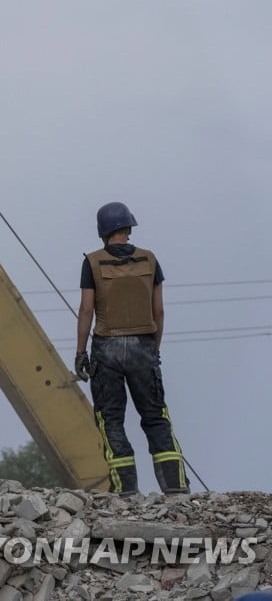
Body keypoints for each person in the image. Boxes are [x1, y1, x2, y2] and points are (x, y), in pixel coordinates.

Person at [75, 202, 189, 496]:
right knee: (155, 417)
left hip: (106, 347)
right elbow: (159, 311)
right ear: (128, 228)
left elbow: (86, 309)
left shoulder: (93, 262)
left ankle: (126, 489)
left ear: (103, 232)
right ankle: (175, 487)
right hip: (143, 346)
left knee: (111, 419)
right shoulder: (150, 260)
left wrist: (80, 352)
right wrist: (154, 348)